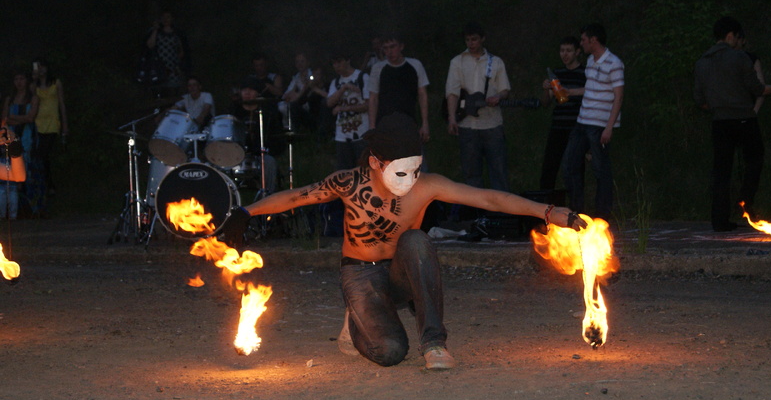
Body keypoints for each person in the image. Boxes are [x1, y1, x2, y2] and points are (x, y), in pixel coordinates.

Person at [221, 112, 586, 370]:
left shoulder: (426, 185)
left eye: (415, 169)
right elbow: (298, 196)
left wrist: (549, 212)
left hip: (399, 270)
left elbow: (489, 198)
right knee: (391, 352)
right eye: (401, 171)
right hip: (360, 273)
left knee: (416, 241)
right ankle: (356, 322)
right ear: (378, 163)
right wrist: (246, 212)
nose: (410, 180)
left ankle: (435, 343)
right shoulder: (350, 182)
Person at [693, 16, 771, 231]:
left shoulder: (702, 62)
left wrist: (717, 105)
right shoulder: (739, 58)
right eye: (738, 37)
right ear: (730, 36)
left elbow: (699, 100)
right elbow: (758, 89)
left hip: (720, 121)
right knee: (755, 159)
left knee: (721, 171)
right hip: (743, 118)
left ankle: (720, 221)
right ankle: (745, 201)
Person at [561, 23, 624, 222]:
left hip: (599, 125)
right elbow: (590, 88)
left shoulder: (614, 63)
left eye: (584, 40)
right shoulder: (590, 60)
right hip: (582, 121)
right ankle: (576, 212)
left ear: (593, 40)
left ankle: (602, 216)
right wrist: (570, 92)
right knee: (570, 164)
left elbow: (618, 96)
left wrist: (609, 127)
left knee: (600, 169)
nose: (582, 44)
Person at [445, 21, 512, 192]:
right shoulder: (457, 62)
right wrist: (452, 118)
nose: (471, 44)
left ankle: (502, 213)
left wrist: (497, 96)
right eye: (467, 40)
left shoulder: (495, 62)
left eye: (474, 39)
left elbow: (505, 89)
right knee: (471, 173)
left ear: (482, 39)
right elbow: (452, 92)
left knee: (498, 171)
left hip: (492, 124)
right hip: (467, 125)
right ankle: (476, 214)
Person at [539, 36, 587, 192]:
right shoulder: (557, 73)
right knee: (549, 167)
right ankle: (545, 205)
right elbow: (546, 102)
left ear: (577, 52)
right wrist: (546, 89)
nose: (565, 54)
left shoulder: (585, 72)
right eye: (562, 51)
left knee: (574, 168)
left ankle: (576, 207)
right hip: (558, 125)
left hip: (576, 126)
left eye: (569, 51)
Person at [367, 34, 430, 143]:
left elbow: (422, 94)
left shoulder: (415, 65)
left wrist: (425, 123)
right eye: (386, 48)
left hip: (409, 122)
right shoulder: (377, 69)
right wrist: (372, 127)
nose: (389, 52)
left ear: (401, 47)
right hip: (384, 124)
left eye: (392, 47)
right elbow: (373, 98)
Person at [229, 77, 279, 194]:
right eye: (244, 90)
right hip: (236, 154)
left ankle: (269, 197)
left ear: (258, 92)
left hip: (259, 154)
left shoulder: (267, 113)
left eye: (251, 90)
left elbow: (276, 138)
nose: (247, 93)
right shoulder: (234, 111)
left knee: (269, 162)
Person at [1, 73, 38, 219]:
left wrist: (14, 119)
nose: (19, 82)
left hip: (27, 135)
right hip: (11, 136)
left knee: (27, 167)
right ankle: (11, 211)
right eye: (16, 79)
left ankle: (29, 208)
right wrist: (18, 120)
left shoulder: (33, 98)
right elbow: (4, 119)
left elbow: (30, 118)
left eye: (22, 78)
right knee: (9, 169)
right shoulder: (10, 99)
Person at [326, 51, 370, 170]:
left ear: (347, 60)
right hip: (342, 135)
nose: (337, 66)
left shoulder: (362, 77)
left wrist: (344, 108)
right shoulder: (335, 83)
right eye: (334, 63)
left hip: (362, 133)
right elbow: (330, 102)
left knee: (365, 171)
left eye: (339, 62)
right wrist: (344, 88)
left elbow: (368, 105)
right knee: (344, 173)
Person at [31, 58, 67, 201]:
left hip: (52, 122)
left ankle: (48, 184)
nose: (41, 69)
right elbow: (31, 97)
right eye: (38, 67)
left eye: (42, 66)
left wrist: (65, 126)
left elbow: (62, 104)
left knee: (44, 152)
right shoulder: (35, 85)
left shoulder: (56, 83)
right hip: (38, 122)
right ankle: (46, 184)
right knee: (40, 155)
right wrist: (34, 79)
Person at [145, 10, 190, 99]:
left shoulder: (177, 33)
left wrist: (178, 64)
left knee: (173, 92)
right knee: (159, 91)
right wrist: (155, 29)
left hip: (173, 67)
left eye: (168, 17)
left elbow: (182, 51)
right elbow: (150, 45)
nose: (166, 19)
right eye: (164, 17)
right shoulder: (156, 32)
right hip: (159, 67)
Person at [279, 52, 328, 134]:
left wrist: (310, 88)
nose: (299, 64)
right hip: (304, 109)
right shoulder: (296, 77)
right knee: (283, 106)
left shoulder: (314, 77)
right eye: (297, 62)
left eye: (302, 61)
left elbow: (328, 97)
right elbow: (287, 96)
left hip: (315, 113)